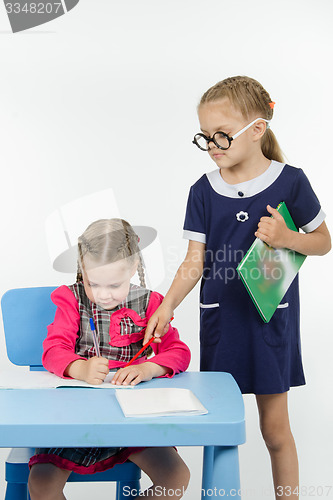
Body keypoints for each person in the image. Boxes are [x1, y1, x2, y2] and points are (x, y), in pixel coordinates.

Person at [143, 76, 331, 499]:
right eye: (205, 136)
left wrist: (287, 239)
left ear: (257, 130)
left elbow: (323, 241)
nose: (213, 144)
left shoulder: (291, 182)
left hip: (270, 323)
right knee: (218, 426)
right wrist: (167, 305)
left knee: (275, 430)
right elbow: (194, 260)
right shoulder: (203, 191)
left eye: (223, 135)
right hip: (221, 322)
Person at [28, 218, 191, 500]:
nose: (103, 295)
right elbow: (53, 349)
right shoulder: (70, 299)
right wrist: (79, 368)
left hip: (131, 421)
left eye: (114, 285)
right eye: (94, 284)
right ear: (82, 269)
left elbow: (178, 352)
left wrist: (148, 368)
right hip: (74, 420)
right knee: (41, 484)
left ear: (133, 268)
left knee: (176, 477)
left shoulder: (151, 304)